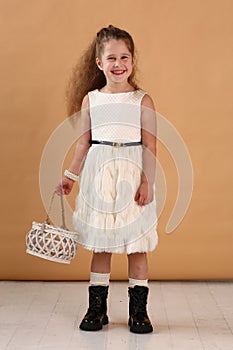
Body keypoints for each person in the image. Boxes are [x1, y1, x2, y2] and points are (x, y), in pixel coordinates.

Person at [56, 25, 158, 334]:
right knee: (101, 247)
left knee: (136, 245)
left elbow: (151, 145)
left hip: (131, 175)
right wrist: (70, 176)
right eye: (111, 58)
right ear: (99, 63)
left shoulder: (142, 100)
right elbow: (83, 143)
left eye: (124, 57)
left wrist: (147, 183)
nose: (118, 64)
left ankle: (138, 312)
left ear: (133, 60)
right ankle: (97, 309)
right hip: (99, 176)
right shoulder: (92, 100)